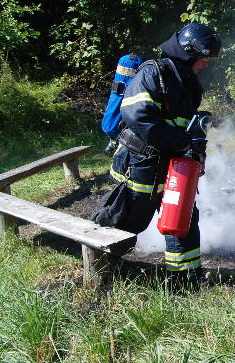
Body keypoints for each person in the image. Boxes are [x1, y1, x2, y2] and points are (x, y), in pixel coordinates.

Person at [95, 22, 221, 284]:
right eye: (204, 58)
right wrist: (181, 142)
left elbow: (182, 122)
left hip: (171, 164)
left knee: (181, 216)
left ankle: (185, 279)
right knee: (127, 218)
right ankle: (95, 258)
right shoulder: (153, 73)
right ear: (191, 52)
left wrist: (195, 139)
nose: (206, 64)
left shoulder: (188, 82)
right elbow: (137, 115)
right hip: (141, 162)